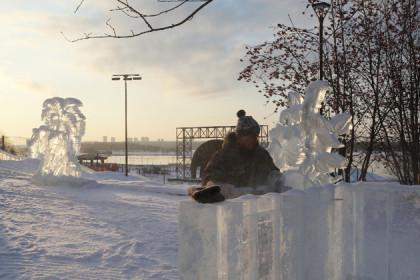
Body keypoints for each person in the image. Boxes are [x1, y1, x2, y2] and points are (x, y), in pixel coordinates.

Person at [188, 110, 289, 203]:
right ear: (241, 137)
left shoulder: (262, 155)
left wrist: (278, 181)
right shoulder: (222, 156)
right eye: (251, 136)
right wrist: (230, 191)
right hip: (233, 209)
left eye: (256, 136)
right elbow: (210, 182)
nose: (255, 139)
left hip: (261, 207)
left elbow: (274, 172)